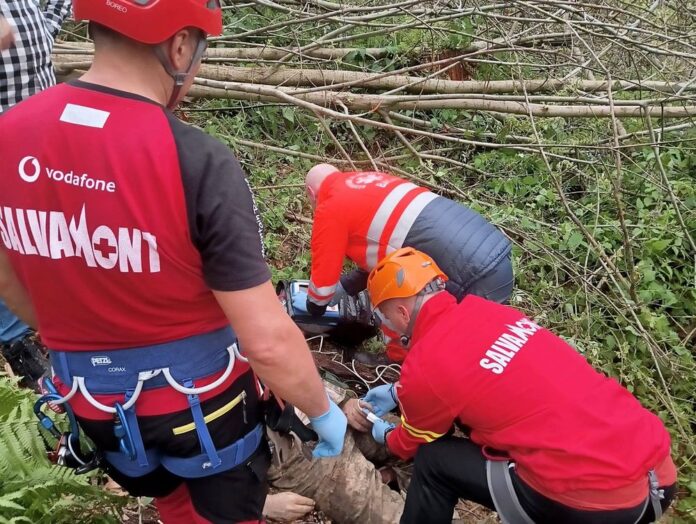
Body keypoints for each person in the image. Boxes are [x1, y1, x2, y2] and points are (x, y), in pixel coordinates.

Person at [0, 1, 346, 523]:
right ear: (181, 45)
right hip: (203, 414)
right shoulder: (195, 160)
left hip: (96, 408)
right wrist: (321, 411)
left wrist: (73, 334)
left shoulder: (9, 133)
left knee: (173, 500)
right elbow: (267, 341)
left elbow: (8, 277)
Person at [363, 247, 677, 524]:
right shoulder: (490, 311)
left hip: (591, 502)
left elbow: (413, 440)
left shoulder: (425, 365)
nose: (387, 327)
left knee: (434, 462)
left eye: (385, 318)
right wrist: (400, 392)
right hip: (658, 476)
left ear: (402, 313)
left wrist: (387, 435)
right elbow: (485, 376)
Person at [304, 163, 512, 362]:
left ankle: (398, 361)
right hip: (496, 257)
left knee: (392, 298)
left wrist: (314, 310)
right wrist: (349, 284)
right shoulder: (371, 181)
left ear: (311, 193)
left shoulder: (330, 206)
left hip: (470, 276)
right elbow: (388, 245)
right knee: (490, 347)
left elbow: (323, 281)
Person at [0, 1, 73, 388]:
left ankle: (50, 322)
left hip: (40, 116)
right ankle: (15, 341)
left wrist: (41, 30)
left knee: (38, 223)